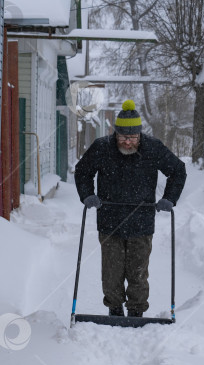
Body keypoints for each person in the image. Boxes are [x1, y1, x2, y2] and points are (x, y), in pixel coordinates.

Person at [75, 100, 187, 318]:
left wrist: (169, 199)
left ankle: (136, 311)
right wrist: (87, 195)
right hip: (110, 219)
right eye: (123, 137)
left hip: (141, 220)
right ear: (115, 133)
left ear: (140, 134)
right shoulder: (102, 147)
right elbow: (82, 171)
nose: (127, 142)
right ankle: (114, 309)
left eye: (132, 138)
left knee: (138, 271)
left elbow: (178, 171)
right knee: (111, 272)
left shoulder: (152, 147)